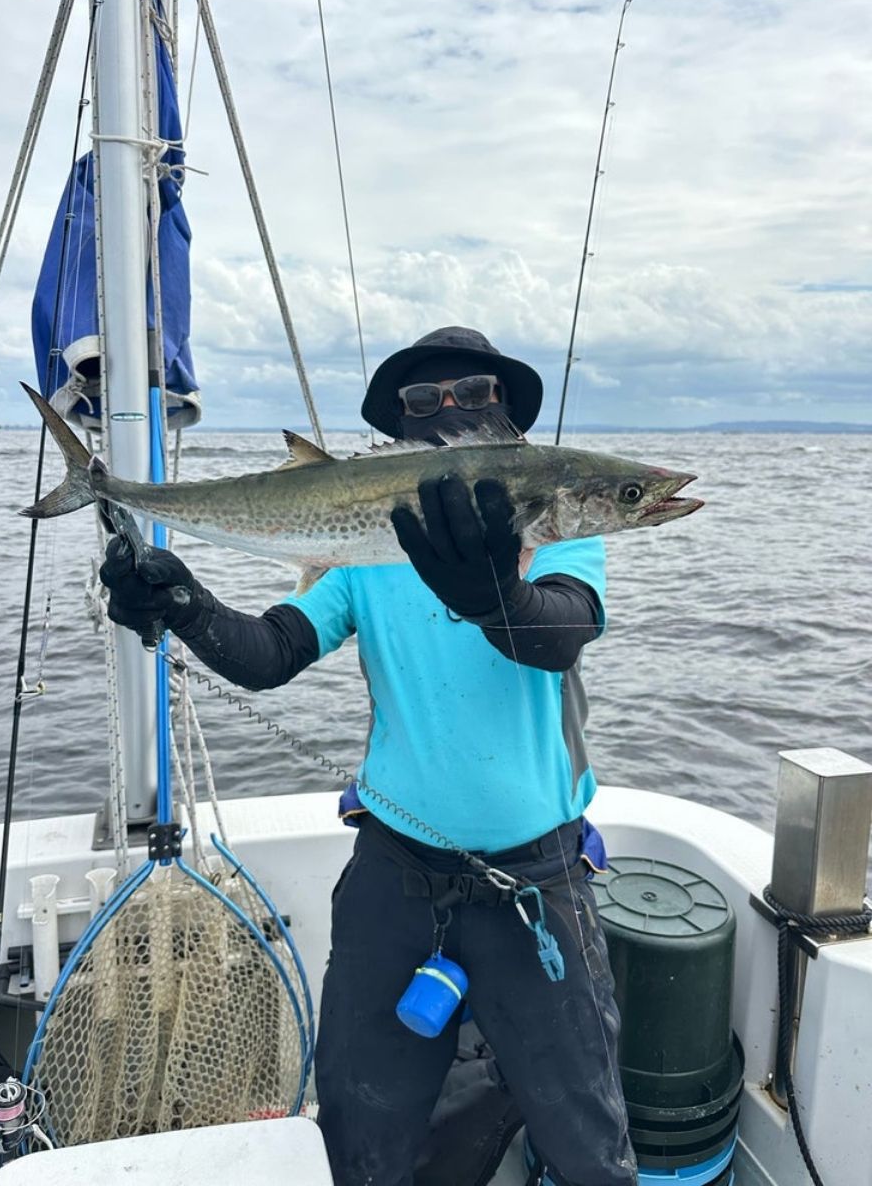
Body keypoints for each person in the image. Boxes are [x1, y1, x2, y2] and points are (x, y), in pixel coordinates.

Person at [101, 326, 637, 1186]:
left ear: (507, 418)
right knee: (359, 1123)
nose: (448, 413)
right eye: (421, 404)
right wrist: (187, 607)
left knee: (585, 1133)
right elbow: (271, 653)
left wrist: (494, 589)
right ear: (396, 433)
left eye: (473, 394)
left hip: (538, 883)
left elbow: (557, 634)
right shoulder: (366, 547)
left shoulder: (553, 527)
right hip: (394, 874)